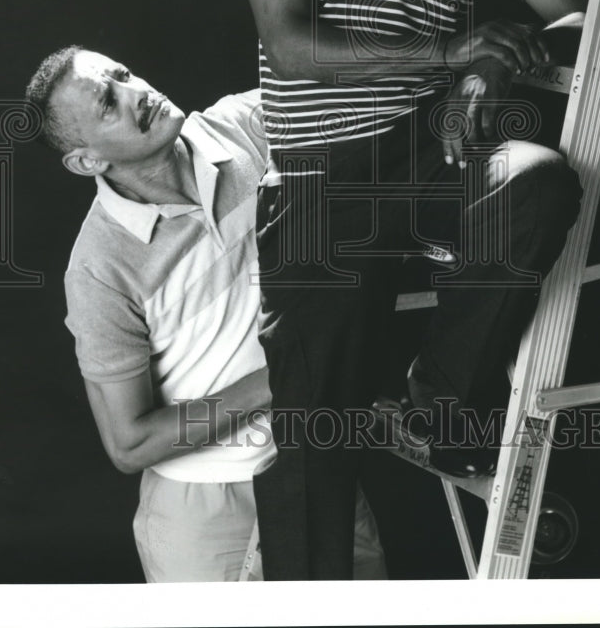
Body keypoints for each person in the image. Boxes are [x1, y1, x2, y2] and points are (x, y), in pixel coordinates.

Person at [236, 0, 585, 579]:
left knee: (538, 177)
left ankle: (432, 412)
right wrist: (452, 49)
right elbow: (293, 46)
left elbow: (581, 11)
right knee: (312, 455)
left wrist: (494, 65)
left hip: (424, 164)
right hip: (317, 185)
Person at [24, 45, 386, 582]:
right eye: (107, 103)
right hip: (203, 513)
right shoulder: (99, 267)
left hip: (318, 465)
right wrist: (280, 378)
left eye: (124, 74)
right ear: (87, 161)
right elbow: (131, 442)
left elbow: (355, 94)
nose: (135, 93)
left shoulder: (243, 125)